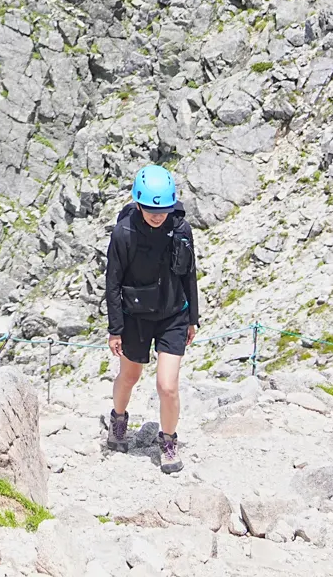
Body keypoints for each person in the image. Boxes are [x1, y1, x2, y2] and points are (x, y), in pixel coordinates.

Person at [104, 165, 200, 475]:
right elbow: (113, 282)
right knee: (129, 377)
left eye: (163, 209)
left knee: (167, 386)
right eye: (150, 208)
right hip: (135, 317)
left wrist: (193, 318)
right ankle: (118, 420)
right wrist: (115, 329)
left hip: (173, 314)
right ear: (138, 203)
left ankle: (168, 441)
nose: (157, 215)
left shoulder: (181, 230)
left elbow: (189, 274)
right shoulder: (124, 233)